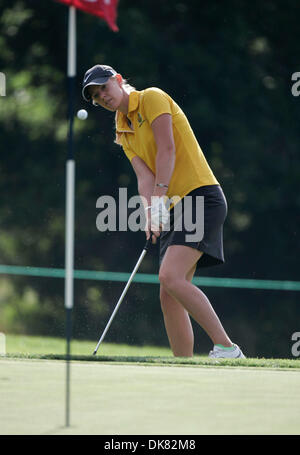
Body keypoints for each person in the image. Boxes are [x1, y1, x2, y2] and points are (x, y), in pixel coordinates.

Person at [82, 64, 245, 359]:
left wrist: (158, 200)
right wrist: (149, 213)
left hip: (200, 197)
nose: (102, 97)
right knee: (168, 293)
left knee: (170, 277)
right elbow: (143, 176)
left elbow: (166, 149)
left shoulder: (152, 98)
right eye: (95, 96)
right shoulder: (122, 128)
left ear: (118, 80)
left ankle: (227, 348)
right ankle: (182, 365)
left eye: (104, 88)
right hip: (174, 207)